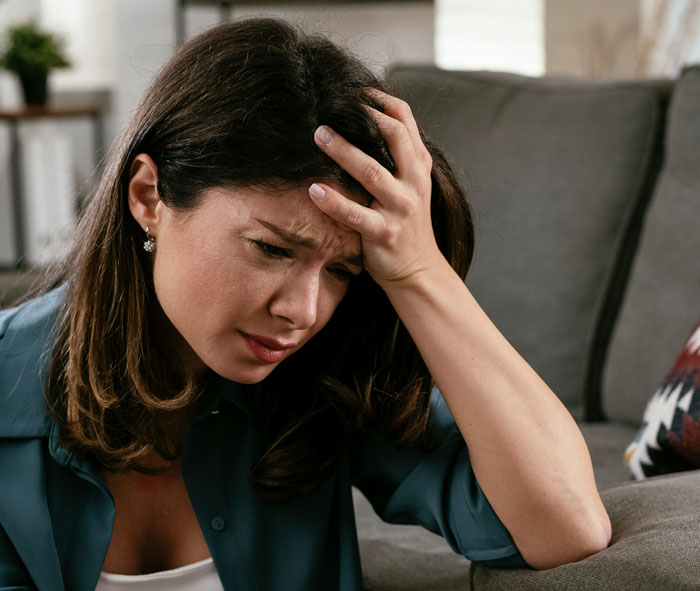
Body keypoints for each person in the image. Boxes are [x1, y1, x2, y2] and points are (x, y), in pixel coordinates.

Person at [0, 17, 611, 590]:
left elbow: (567, 527)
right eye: (271, 248)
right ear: (149, 196)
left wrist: (421, 271)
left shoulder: (323, 382)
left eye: (342, 270)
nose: (303, 311)